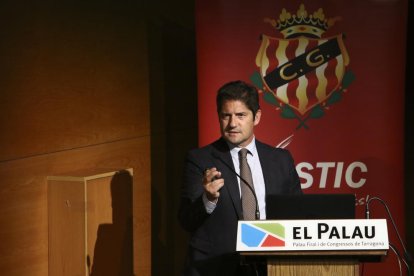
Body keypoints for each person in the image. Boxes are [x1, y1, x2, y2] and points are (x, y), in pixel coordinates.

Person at [178, 80, 302, 276]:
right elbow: (186, 221)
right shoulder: (200, 159)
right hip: (217, 268)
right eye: (226, 116)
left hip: (271, 266)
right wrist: (207, 200)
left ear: (257, 117)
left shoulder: (280, 160)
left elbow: (298, 215)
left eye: (240, 115)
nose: (232, 124)